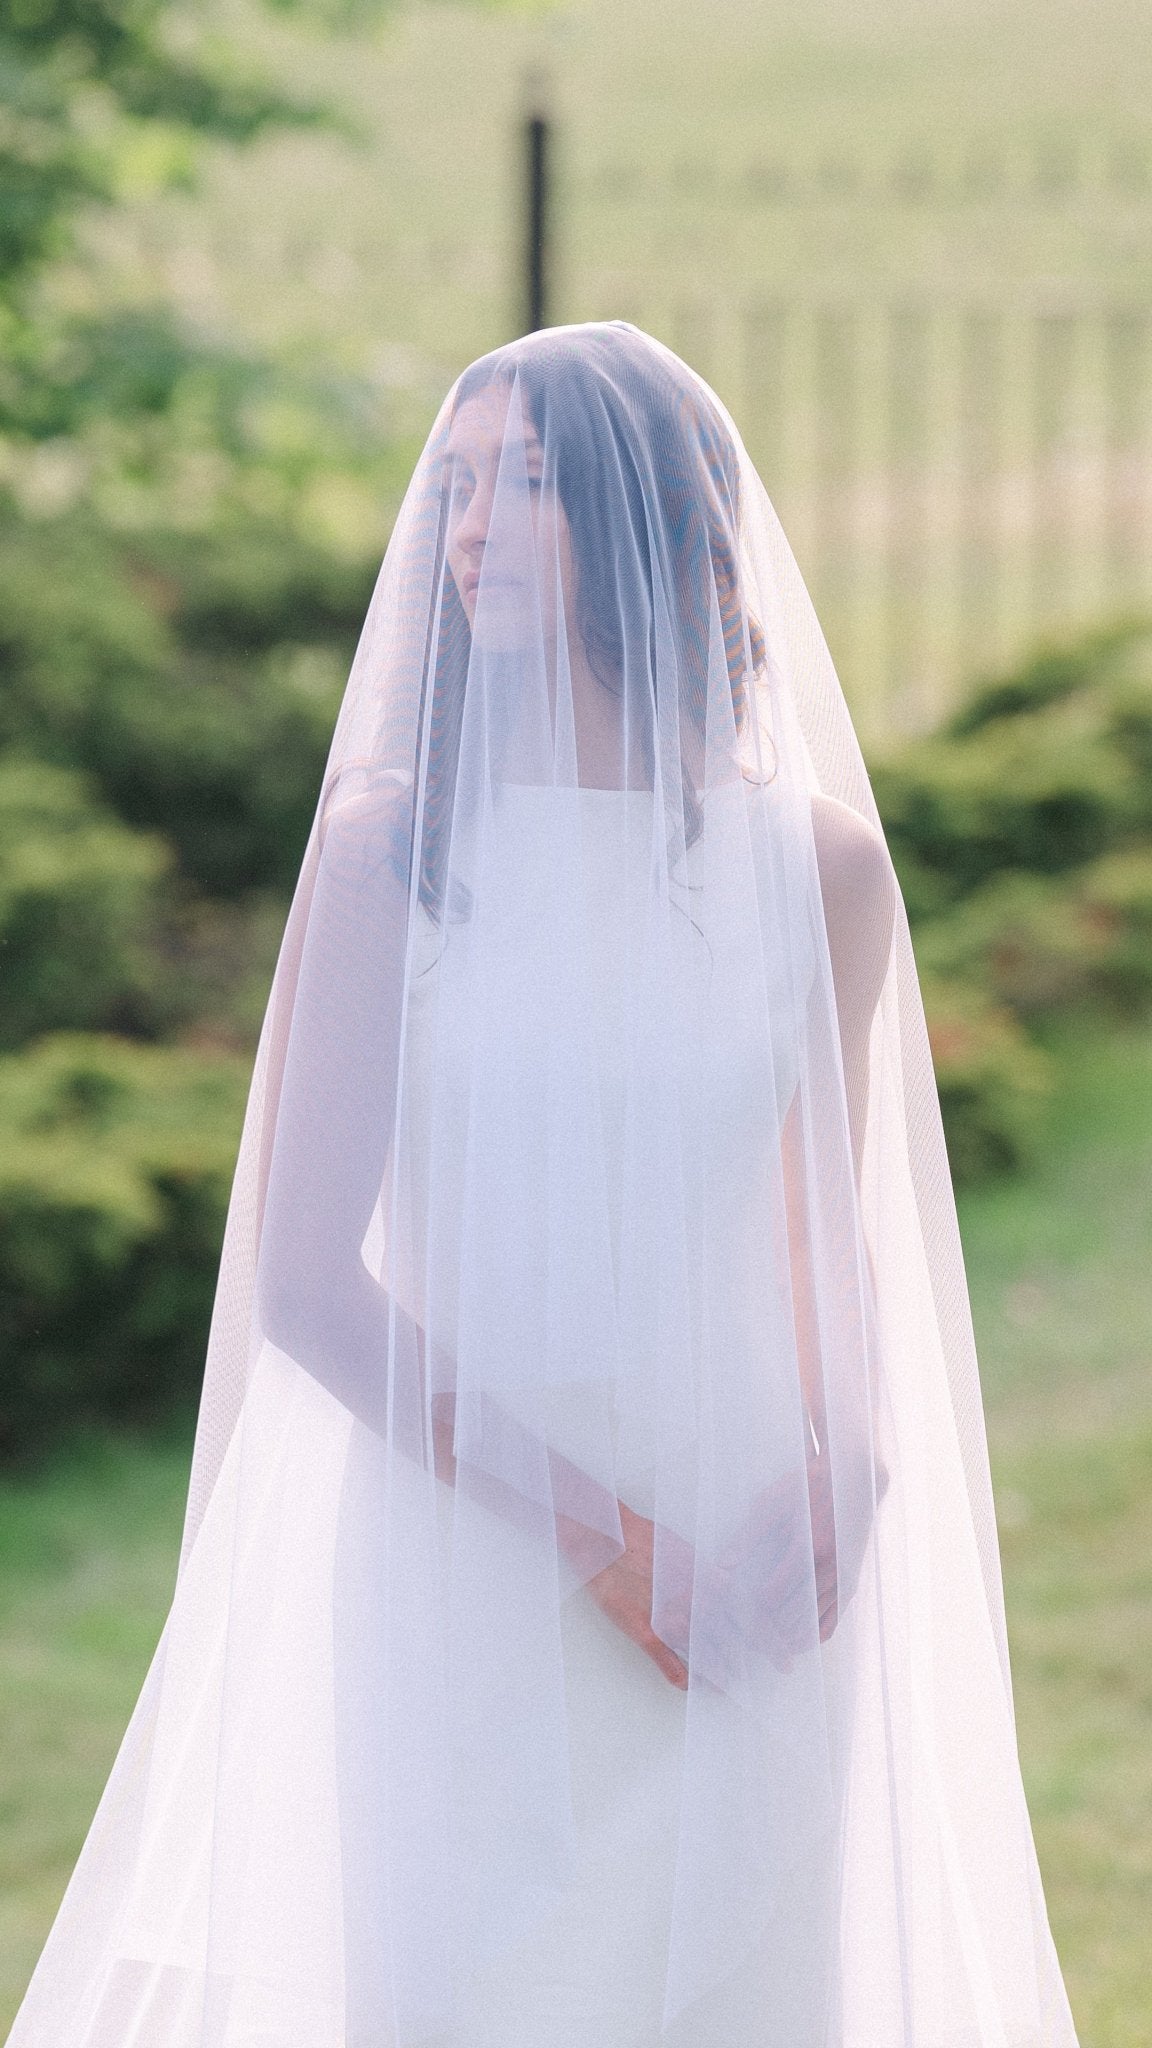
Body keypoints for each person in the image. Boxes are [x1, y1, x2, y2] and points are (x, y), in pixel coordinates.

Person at [7, 322, 1080, 2048]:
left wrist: (846, 1480)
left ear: (652, 522)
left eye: (526, 484)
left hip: (746, 1566)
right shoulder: (391, 859)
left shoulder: (817, 870)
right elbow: (301, 1282)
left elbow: (837, 1234)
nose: (475, 530)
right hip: (466, 1538)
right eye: (456, 486)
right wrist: (603, 1543)